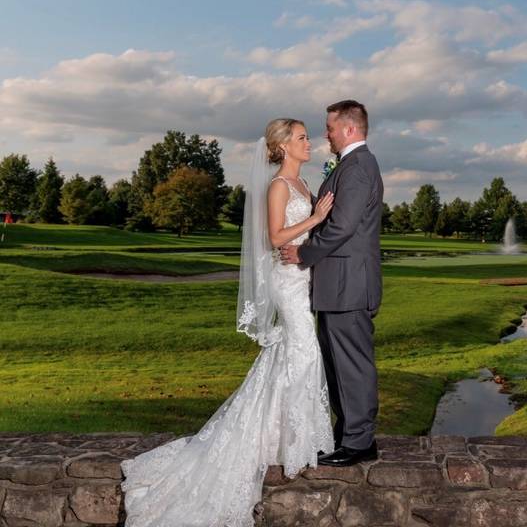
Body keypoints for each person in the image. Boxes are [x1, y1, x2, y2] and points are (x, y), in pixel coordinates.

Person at [121, 119, 335, 527]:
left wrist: (319, 218)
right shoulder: (278, 187)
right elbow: (274, 237)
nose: (311, 143)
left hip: (303, 276)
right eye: (303, 137)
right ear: (284, 147)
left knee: (291, 354)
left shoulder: (306, 186)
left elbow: (305, 235)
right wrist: (315, 219)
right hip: (286, 281)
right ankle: (293, 442)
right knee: (305, 350)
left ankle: (284, 438)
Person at [280, 99, 384, 467]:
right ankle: (347, 435)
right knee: (338, 363)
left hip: (349, 285)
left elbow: (342, 226)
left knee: (353, 364)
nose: (326, 134)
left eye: (330, 127)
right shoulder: (350, 166)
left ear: (350, 129)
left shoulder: (357, 167)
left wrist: (305, 254)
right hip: (337, 286)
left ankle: (359, 443)